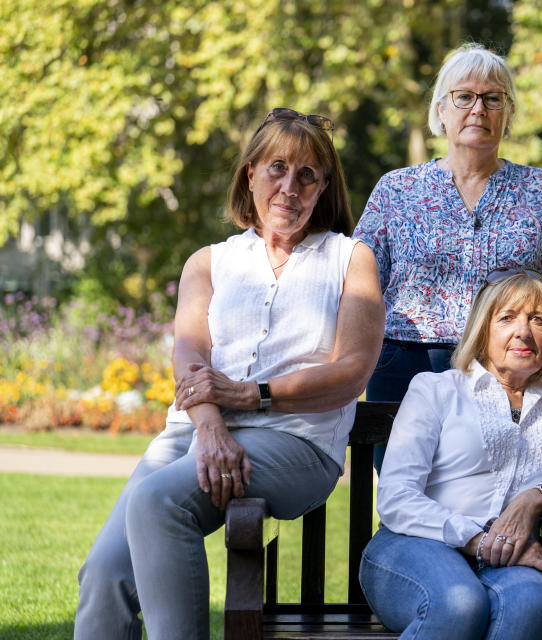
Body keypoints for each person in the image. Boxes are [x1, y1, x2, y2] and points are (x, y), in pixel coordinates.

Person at [74, 108, 385, 640]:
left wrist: (251, 395)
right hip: (193, 435)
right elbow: (190, 358)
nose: (290, 186)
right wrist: (211, 430)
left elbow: (351, 371)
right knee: (103, 574)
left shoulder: (350, 258)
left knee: (158, 501)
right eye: (277, 168)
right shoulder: (208, 262)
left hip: (295, 443)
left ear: (324, 187)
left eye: (307, 174)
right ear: (250, 173)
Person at [353, 43, 542, 470]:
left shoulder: (540, 191)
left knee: (494, 491)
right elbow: (354, 291)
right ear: (441, 110)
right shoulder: (397, 190)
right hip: (405, 368)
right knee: (408, 491)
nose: (478, 109)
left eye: (492, 98)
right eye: (463, 97)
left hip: (511, 367)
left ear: (508, 111)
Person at [359, 269, 542, 640]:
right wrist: (478, 541)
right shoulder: (436, 390)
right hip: (415, 545)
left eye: (537, 319)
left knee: (530, 606)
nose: (523, 331)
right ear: (483, 329)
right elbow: (396, 499)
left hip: (508, 558)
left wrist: (536, 497)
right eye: (507, 318)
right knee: (460, 604)